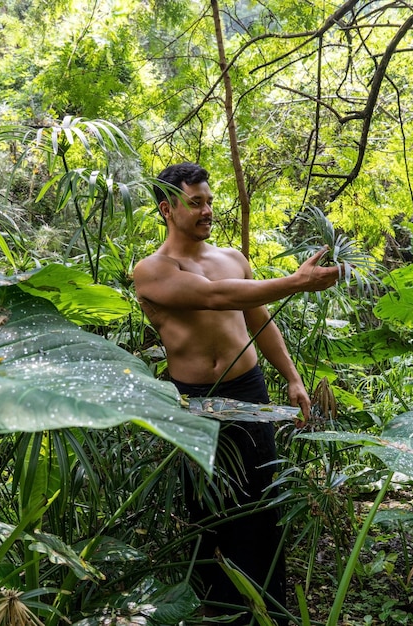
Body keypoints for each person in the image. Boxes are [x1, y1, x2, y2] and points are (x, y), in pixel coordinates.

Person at [133, 162, 340, 625]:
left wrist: (291, 377)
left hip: (249, 391)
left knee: (262, 505)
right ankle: (222, 612)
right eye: (195, 202)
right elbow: (215, 297)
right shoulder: (151, 271)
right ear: (167, 209)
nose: (208, 210)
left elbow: (257, 317)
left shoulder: (233, 256)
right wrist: (296, 282)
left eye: (209, 200)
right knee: (211, 512)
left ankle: (272, 612)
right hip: (193, 402)